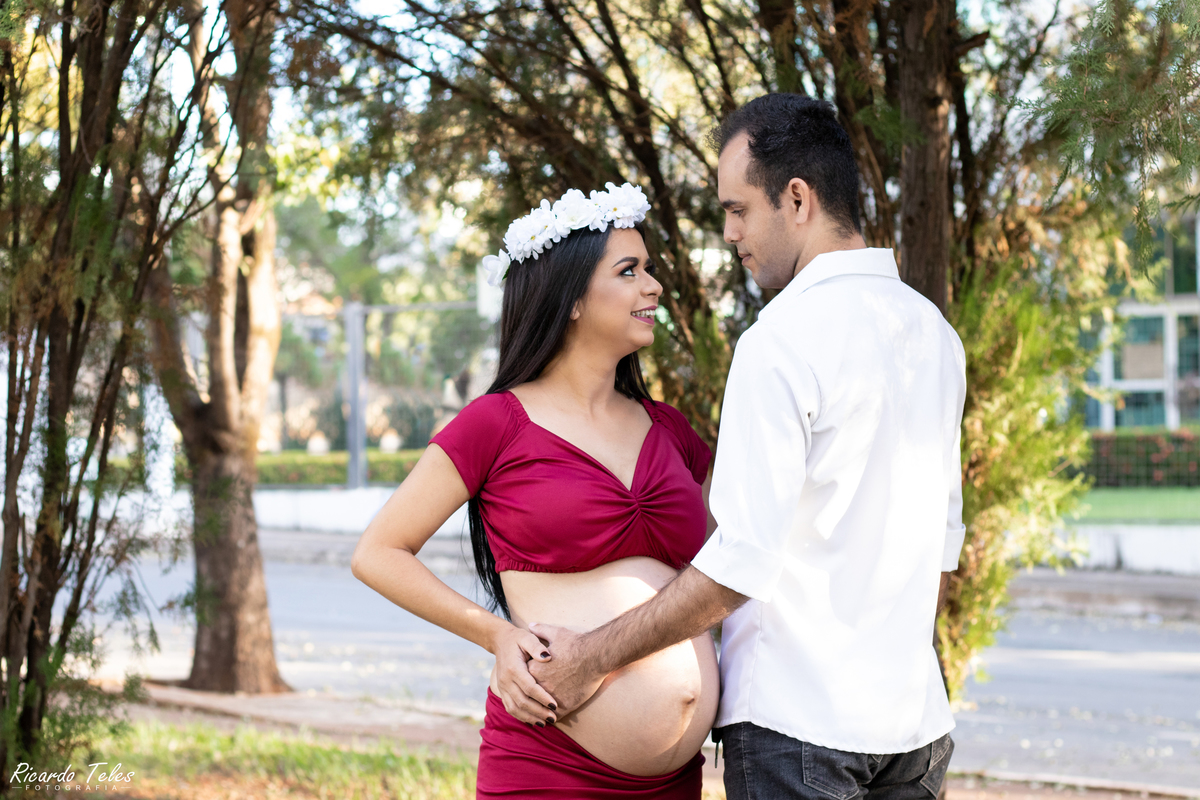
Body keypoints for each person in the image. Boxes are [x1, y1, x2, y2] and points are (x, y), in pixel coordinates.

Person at [525, 94, 968, 800]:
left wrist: (590, 658)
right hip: (913, 732)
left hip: (798, 732)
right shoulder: (933, 332)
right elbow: (940, 548)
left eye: (738, 210)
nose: (731, 233)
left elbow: (739, 563)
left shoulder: (781, 340)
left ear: (797, 199)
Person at [350, 183, 718, 798]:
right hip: (547, 765)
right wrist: (498, 636)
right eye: (629, 271)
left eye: (649, 269)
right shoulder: (496, 423)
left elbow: (724, 569)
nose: (653, 286)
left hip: (675, 783)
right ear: (570, 299)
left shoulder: (670, 429)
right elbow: (378, 553)